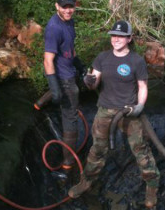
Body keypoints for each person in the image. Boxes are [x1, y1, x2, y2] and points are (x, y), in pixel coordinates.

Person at [68, 20, 160, 209]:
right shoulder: (102, 58)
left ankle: (152, 185)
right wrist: (88, 81)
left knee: (140, 149)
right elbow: (94, 82)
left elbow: (142, 86)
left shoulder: (136, 61)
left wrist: (140, 106)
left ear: (129, 38)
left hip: (128, 112)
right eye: (114, 36)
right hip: (105, 110)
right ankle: (87, 181)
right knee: (98, 149)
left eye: (121, 36)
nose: (116, 39)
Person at [43, 0, 86, 170]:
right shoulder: (54, 28)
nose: (68, 10)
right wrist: (54, 87)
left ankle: (38, 104)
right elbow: (48, 60)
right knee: (71, 118)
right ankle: (68, 163)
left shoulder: (69, 22)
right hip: (63, 77)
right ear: (57, 6)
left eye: (71, 6)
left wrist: (80, 65)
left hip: (69, 71)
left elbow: (70, 48)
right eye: (64, 7)